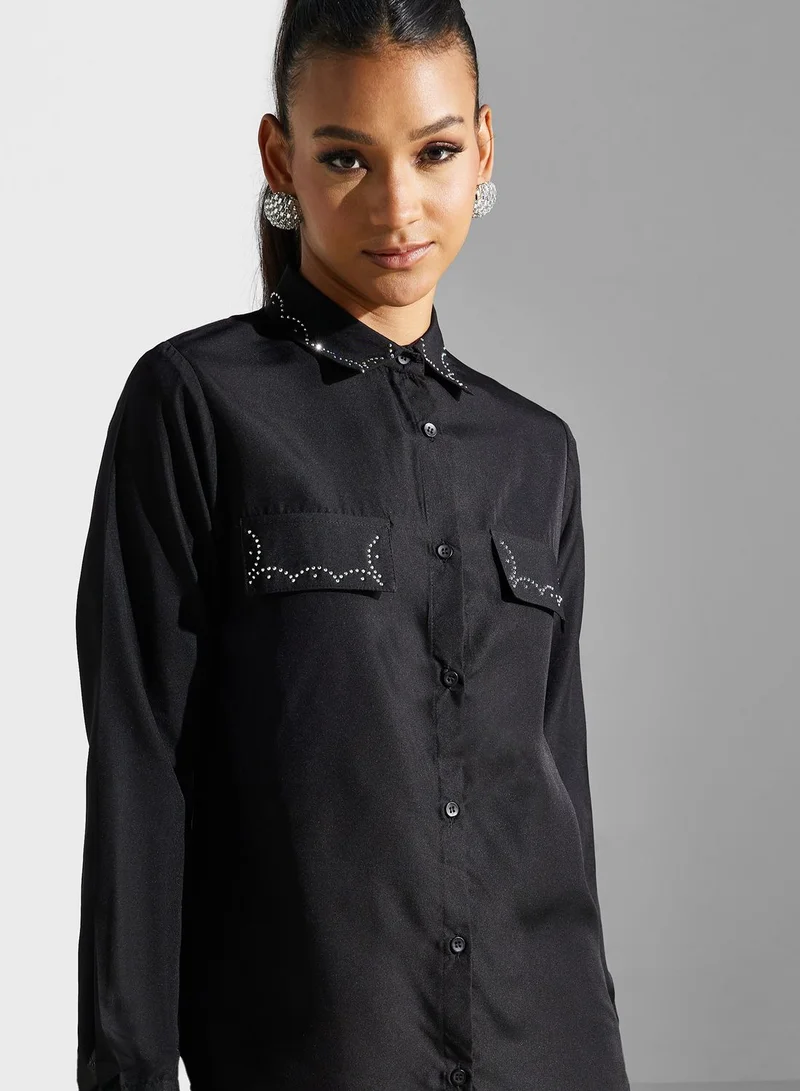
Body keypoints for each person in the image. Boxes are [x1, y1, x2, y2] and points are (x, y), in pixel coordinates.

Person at [74, 1, 631, 1089]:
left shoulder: (538, 454)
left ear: (482, 148)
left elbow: (560, 796)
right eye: (344, 158)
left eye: (433, 153)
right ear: (279, 157)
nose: (397, 205)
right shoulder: (194, 407)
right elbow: (141, 776)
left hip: (552, 1052)